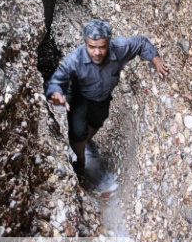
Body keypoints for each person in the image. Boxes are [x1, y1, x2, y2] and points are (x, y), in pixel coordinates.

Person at [46, 19, 169, 175]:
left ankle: (85, 143)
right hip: (79, 95)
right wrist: (56, 93)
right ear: (85, 43)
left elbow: (141, 43)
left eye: (102, 47)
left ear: (109, 43)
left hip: (101, 98)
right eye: (92, 47)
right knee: (77, 132)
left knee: (97, 121)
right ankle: (80, 161)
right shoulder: (74, 59)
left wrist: (156, 59)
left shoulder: (119, 48)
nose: (97, 53)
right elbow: (58, 77)